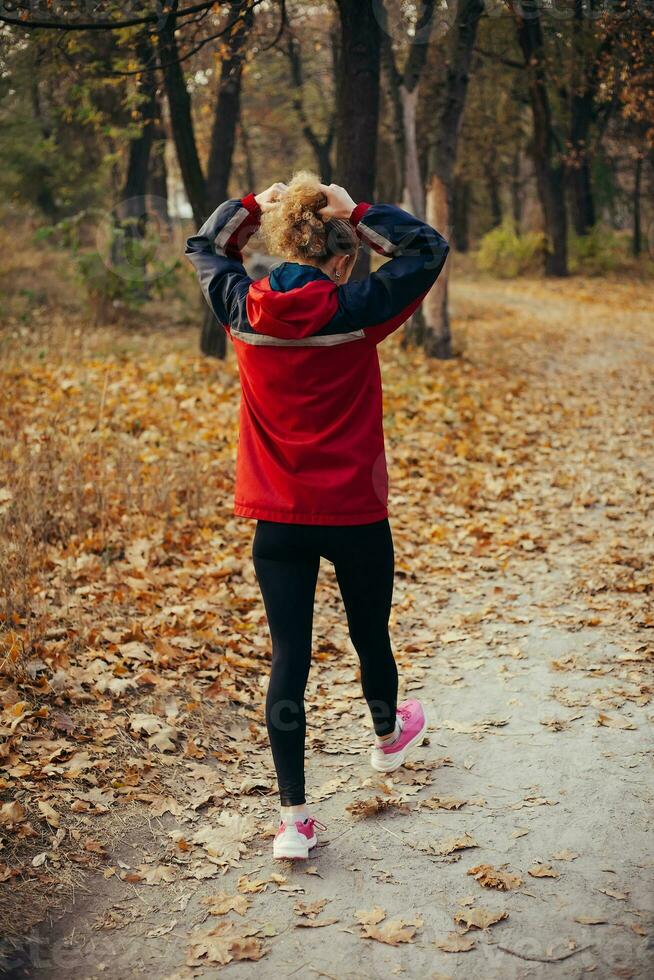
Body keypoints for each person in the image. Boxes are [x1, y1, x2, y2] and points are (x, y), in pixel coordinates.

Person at [185, 172, 449, 860]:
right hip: (354, 512)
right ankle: (388, 738)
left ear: (281, 250)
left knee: (289, 659)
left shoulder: (244, 309)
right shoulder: (357, 307)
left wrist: (251, 207)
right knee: (368, 632)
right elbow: (426, 250)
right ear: (341, 259)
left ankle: (294, 822)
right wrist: (356, 209)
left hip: (277, 520)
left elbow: (205, 247)